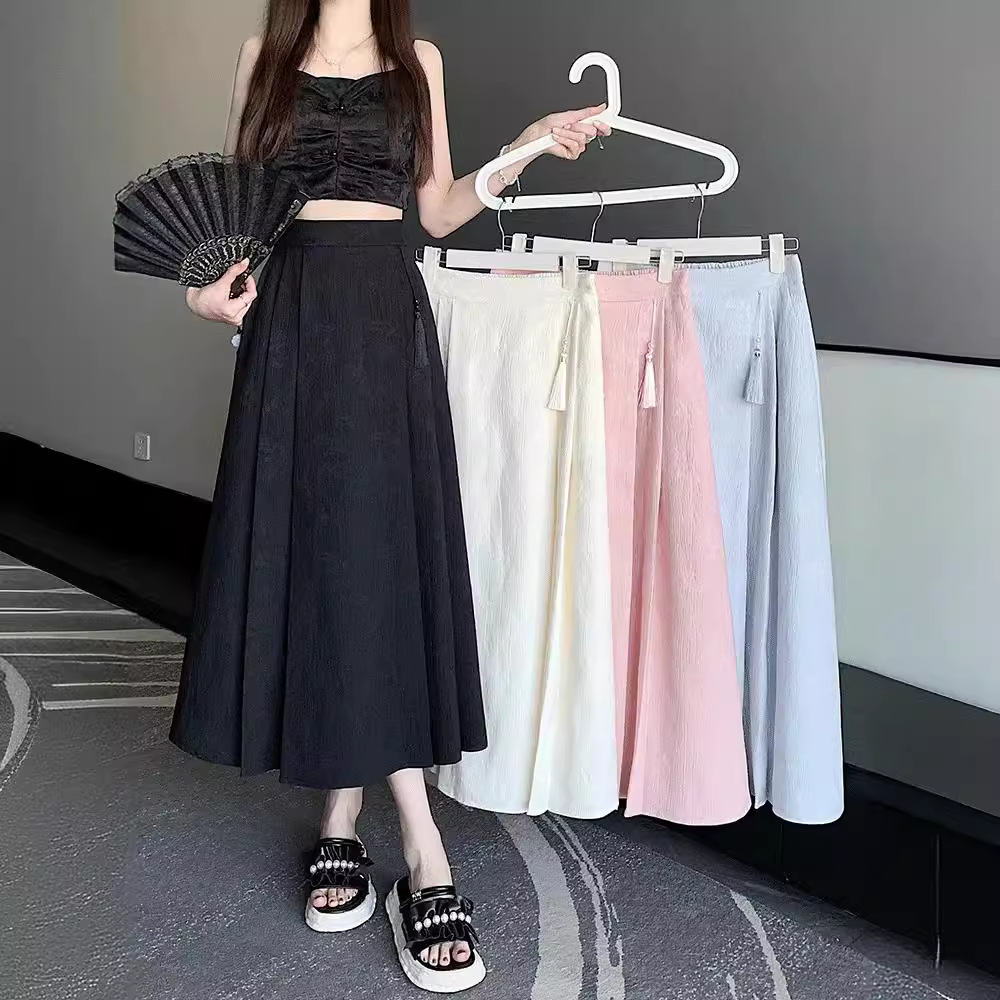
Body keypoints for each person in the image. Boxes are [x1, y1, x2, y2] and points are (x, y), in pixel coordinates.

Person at [169, 0, 608, 992]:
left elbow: (437, 209)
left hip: (381, 316)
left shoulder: (421, 60)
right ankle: (390, 830)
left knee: (375, 556)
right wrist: (201, 293)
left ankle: (373, 821)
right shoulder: (261, 57)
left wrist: (527, 147)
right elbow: (237, 218)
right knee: (320, 553)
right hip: (290, 322)